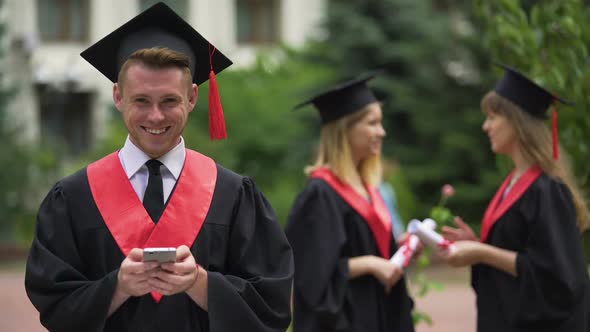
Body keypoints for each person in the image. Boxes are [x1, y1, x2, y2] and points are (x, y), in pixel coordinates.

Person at [24, 3, 293, 332]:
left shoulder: (233, 195)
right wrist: (118, 287)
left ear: (192, 98)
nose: (155, 117)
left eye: (169, 101)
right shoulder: (74, 197)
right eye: (141, 101)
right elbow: (54, 305)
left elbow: (273, 305)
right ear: (118, 96)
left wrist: (201, 284)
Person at [440, 64, 590, 332]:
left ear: (517, 122)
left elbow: (558, 278)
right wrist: (477, 247)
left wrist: (484, 252)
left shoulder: (547, 190)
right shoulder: (512, 185)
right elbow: (517, 255)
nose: (486, 126)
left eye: (493, 117)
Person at [285, 72, 415, 332]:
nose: (382, 131)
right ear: (345, 129)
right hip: (348, 320)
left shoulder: (369, 189)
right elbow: (309, 275)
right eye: (372, 123)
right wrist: (367, 264)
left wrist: (398, 253)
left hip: (381, 315)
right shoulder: (320, 195)